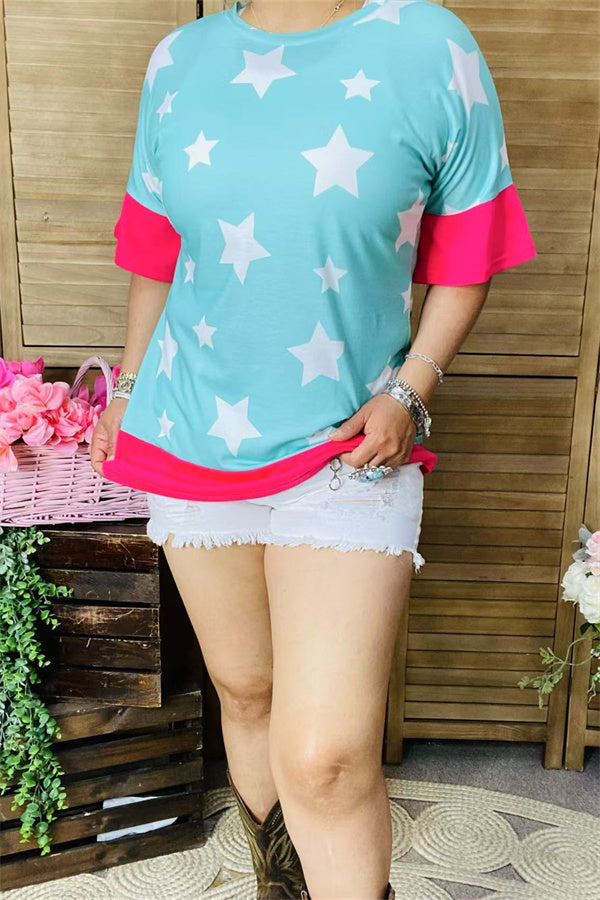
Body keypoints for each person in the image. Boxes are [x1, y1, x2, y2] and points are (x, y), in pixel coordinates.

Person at [92, 1, 537, 897]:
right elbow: (158, 252)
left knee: (327, 755)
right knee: (246, 693)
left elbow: (470, 250)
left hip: (349, 450)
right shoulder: (180, 59)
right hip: (190, 434)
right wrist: (129, 389)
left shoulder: (429, 44)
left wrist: (411, 389)